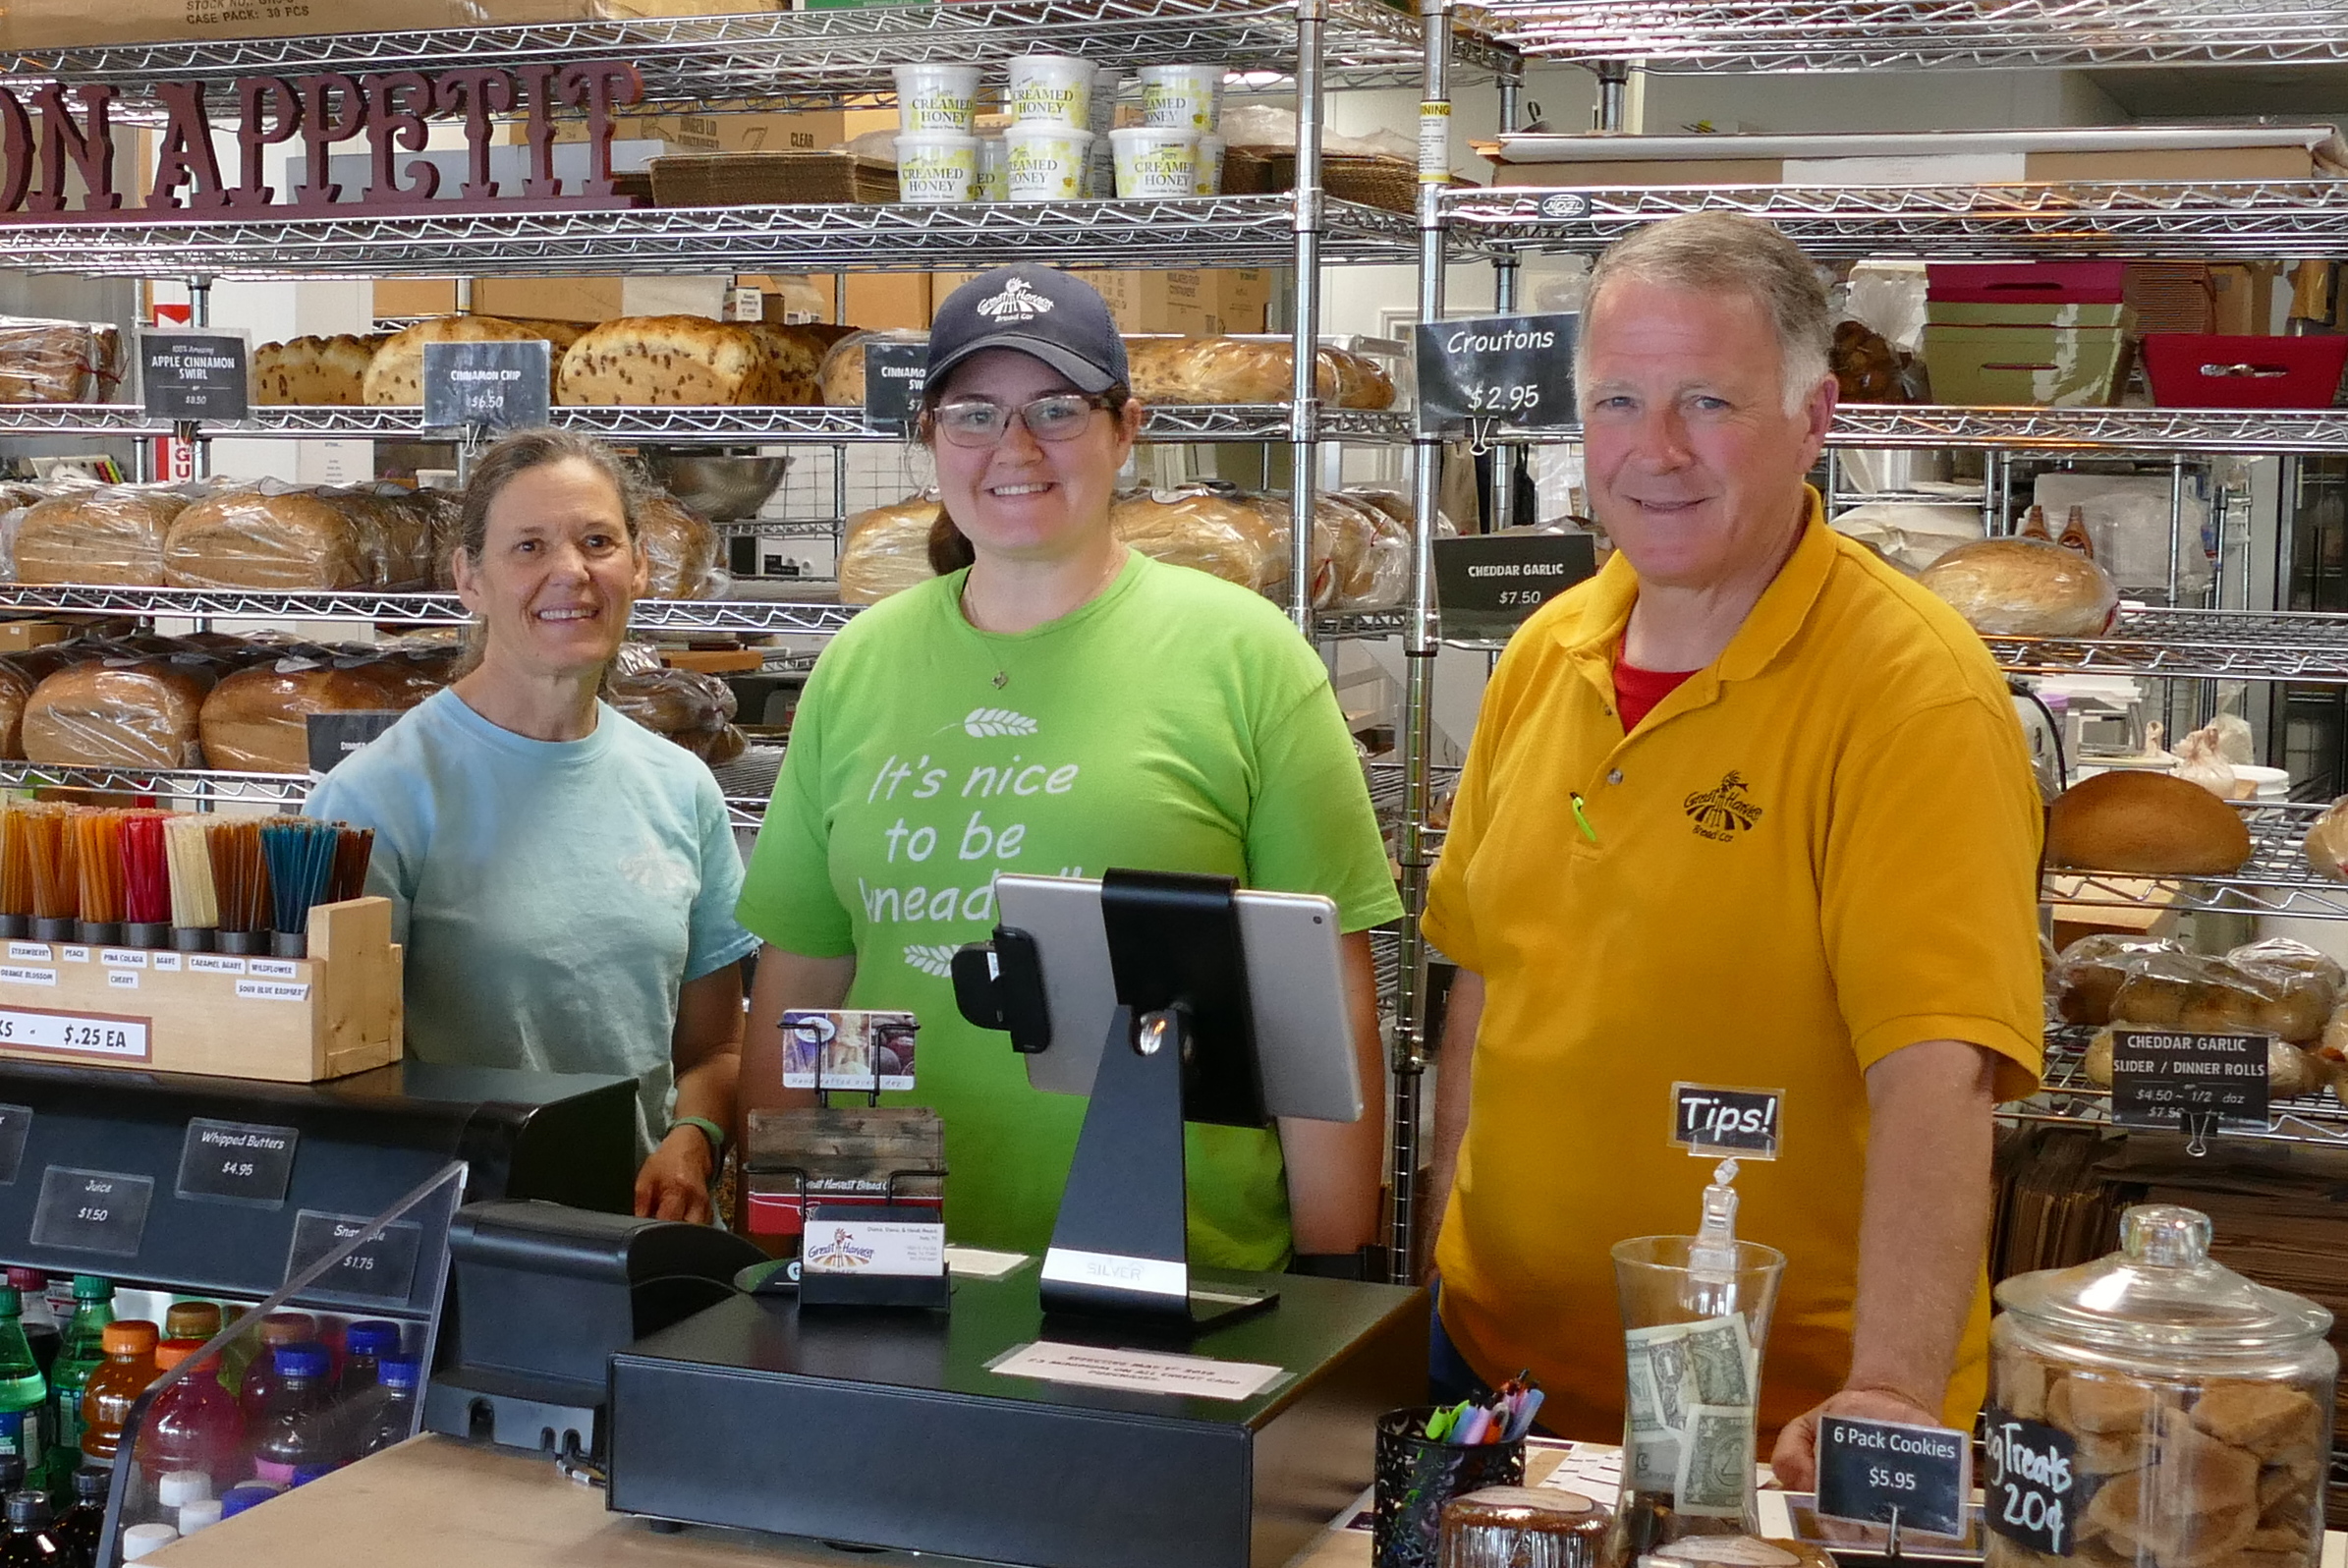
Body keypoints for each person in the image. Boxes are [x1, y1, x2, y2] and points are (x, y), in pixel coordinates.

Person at [1421, 212, 2043, 1484]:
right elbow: (1480, 993)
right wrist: (1440, 1272)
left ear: (1815, 419)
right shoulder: (1543, 658)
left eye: (1707, 401)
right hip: (1499, 1389)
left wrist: (1887, 1391)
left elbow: (1939, 1072)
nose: (1652, 451)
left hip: (1777, 1439)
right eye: (1617, 401)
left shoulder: (1908, 693)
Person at [736, 263, 1400, 1271]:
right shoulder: (857, 665)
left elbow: (1326, 997)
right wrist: (778, 1232)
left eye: (1056, 409)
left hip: (1174, 1267)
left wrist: (1332, 1270)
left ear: (1125, 428)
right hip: (892, 1260)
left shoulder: (1246, 654)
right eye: (973, 414)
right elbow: (804, 982)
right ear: (930, 439)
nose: (1014, 448)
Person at [307, 428, 756, 1224]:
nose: (571, 573)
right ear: (469, 579)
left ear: (639, 567)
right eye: (528, 546)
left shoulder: (682, 787)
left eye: (597, 541)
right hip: (468, 1244)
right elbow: (339, 1078)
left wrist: (692, 1138)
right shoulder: (376, 801)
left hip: (641, 1237)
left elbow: (715, 1051)